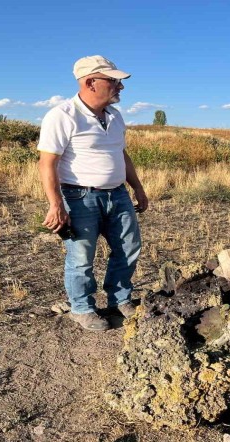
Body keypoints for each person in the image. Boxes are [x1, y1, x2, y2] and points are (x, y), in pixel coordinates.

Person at [38, 55, 149, 331]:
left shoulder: (114, 116)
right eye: (114, 81)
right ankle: (82, 308)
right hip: (79, 198)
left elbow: (121, 154)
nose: (120, 86)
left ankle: (119, 301)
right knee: (81, 257)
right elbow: (47, 162)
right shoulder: (62, 115)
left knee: (128, 248)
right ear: (90, 82)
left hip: (118, 195)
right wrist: (55, 204)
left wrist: (137, 187)